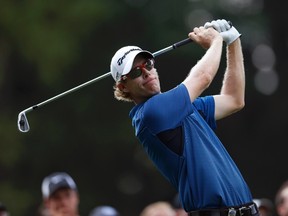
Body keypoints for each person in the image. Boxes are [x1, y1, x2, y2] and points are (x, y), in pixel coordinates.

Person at [110, 19, 259, 216]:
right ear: (123, 86)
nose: (146, 72)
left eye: (148, 64)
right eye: (136, 72)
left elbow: (234, 99)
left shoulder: (185, 107)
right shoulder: (150, 114)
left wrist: (233, 41)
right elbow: (203, 77)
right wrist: (215, 42)